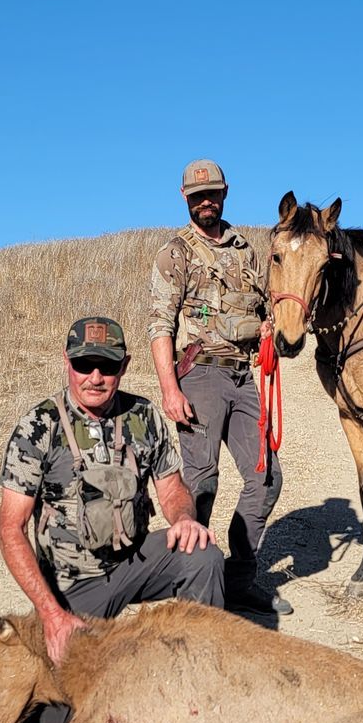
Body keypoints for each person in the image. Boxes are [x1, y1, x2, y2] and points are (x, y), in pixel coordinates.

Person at [0, 316, 225, 723]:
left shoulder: (144, 416)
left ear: (125, 365)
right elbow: (11, 529)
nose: (96, 377)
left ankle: (198, 680)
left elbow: (173, 489)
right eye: (85, 364)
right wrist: (51, 615)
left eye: (107, 365)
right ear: (67, 362)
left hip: (135, 563)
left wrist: (184, 520)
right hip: (72, 586)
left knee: (204, 554)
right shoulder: (39, 427)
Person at [149, 159, 292, 616]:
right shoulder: (176, 252)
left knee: (266, 477)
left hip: (243, 376)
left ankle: (237, 580)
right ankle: (193, 583)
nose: (205, 201)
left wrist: (268, 328)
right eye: (197, 195)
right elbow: (159, 326)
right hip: (199, 374)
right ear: (185, 198)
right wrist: (171, 389)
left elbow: (262, 308)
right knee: (201, 481)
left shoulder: (245, 249)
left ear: (225, 193)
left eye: (212, 193)